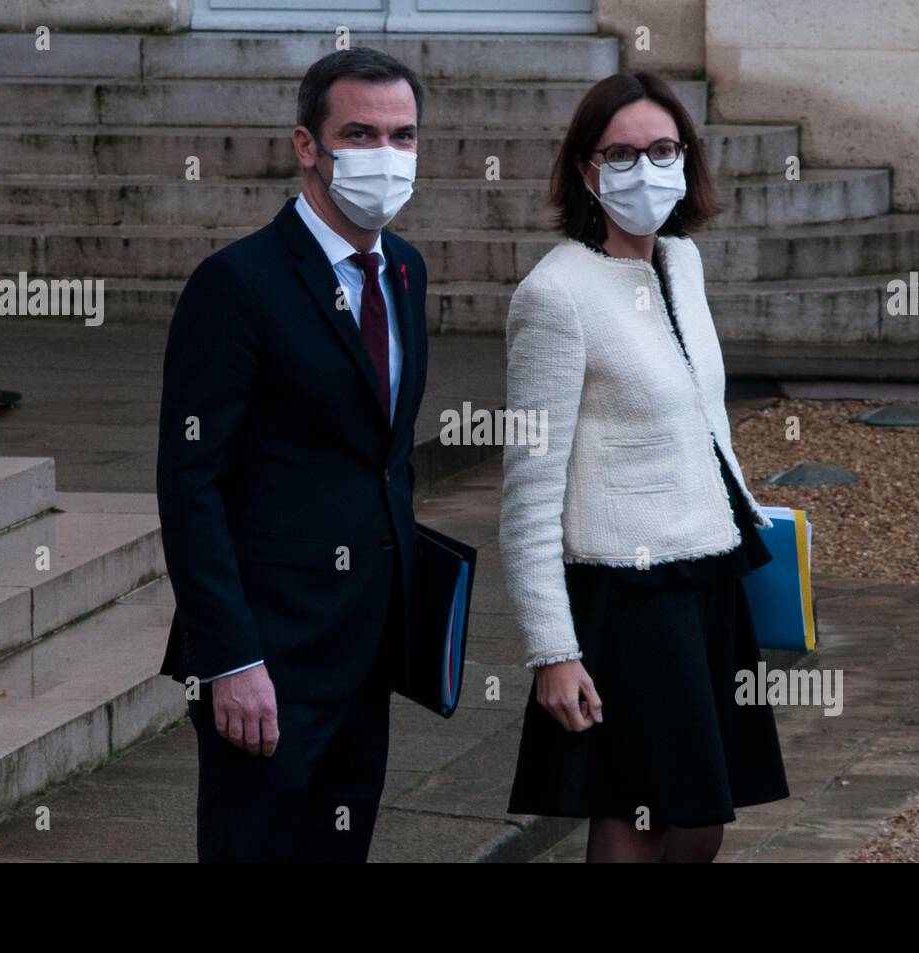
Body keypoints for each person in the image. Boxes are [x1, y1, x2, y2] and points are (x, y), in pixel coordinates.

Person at [500, 72, 791, 863]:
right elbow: (528, 492)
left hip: (708, 574)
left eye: (663, 149)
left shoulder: (682, 262)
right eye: (621, 153)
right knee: (641, 811)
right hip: (625, 591)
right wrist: (552, 652)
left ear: (687, 159)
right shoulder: (554, 296)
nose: (646, 168)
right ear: (587, 170)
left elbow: (702, 409)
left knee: (702, 817)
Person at [155, 47, 429, 862]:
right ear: (308, 146)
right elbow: (189, 483)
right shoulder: (236, 283)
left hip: (367, 649)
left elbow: (382, 458)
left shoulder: (405, 270)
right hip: (267, 664)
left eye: (405, 135)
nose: (387, 155)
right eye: (362, 133)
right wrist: (231, 657)